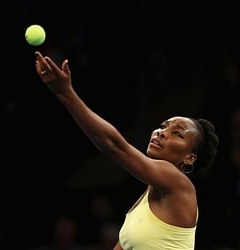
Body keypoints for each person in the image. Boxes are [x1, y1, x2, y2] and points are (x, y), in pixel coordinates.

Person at [34, 51, 219, 250]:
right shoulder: (146, 200)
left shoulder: (179, 183)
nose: (162, 133)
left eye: (178, 134)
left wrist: (66, 94)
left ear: (189, 158)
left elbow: (114, 147)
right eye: (163, 126)